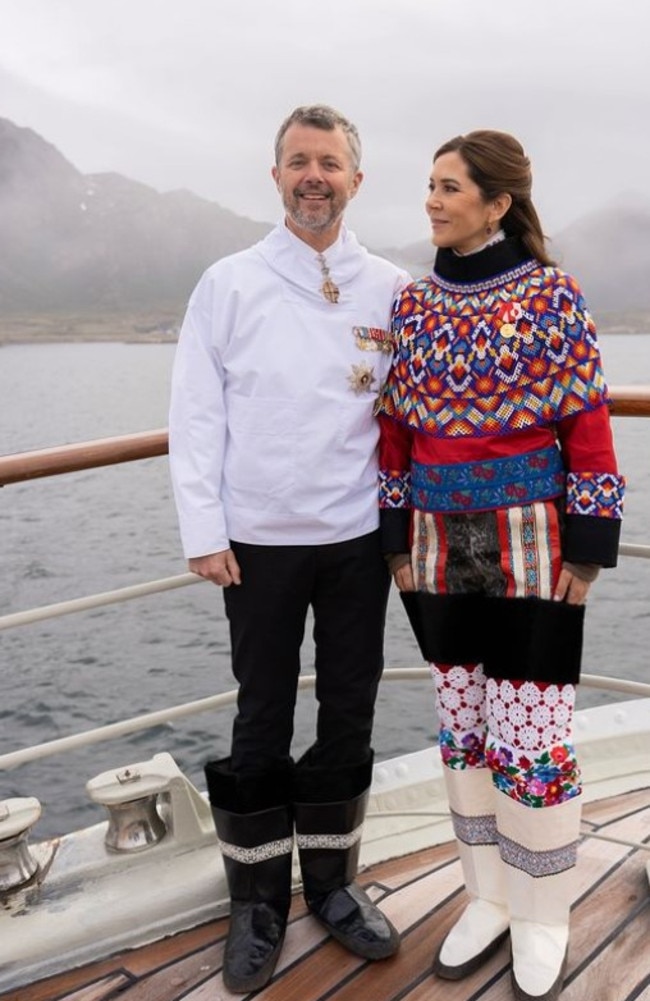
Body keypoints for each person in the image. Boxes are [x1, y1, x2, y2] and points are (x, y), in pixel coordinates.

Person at [377, 130, 624, 1001]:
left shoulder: (554, 296)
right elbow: (397, 435)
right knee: (465, 729)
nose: (433, 201)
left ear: (497, 203)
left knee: (533, 735)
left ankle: (543, 908)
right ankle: (486, 894)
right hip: (440, 547)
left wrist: (590, 550)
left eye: (449, 188)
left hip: (533, 545)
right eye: (430, 186)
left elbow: (588, 428)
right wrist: (395, 541)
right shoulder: (412, 306)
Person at [168, 104, 409, 993]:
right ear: (275, 177)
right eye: (299, 161)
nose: (315, 175)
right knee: (261, 715)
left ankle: (335, 887)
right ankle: (259, 900)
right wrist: (204, 529)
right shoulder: (227, 283)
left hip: (354, 539)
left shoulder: (389, 285)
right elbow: (194, 415)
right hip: (257, 541)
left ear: (355, 178)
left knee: (349, 710)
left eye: (331, 162)